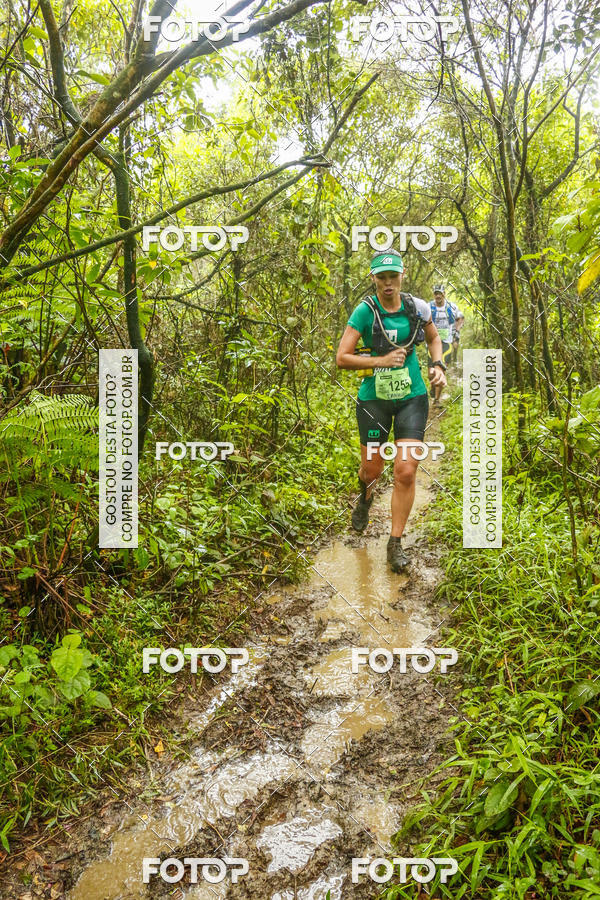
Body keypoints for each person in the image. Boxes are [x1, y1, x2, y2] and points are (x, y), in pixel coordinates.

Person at [336, 250, 447, 572]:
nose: (388, 283)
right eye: (381, 277)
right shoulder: (364, 311)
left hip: (413, 396)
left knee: (407, 471)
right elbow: (342, 358)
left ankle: (395, 542)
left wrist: (437, 364)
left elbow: (434, 337)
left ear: (402, 275)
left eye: (393, 277)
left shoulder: (418, 307)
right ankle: (366, 497)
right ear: (373, 279)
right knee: (372, 469)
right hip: (374, 400)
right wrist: (379, 361)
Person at [428, 284, 462, 404]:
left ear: (444, 294)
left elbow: (460, 318)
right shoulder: (429, 306)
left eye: (440, 293)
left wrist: (456, 334)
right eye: (436, 293)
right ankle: (433, 387)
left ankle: (437, 400)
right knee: (431, 373)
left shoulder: (451, 307)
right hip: (432, 343)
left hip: (446, 343)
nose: (438, 296)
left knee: (440, 371)